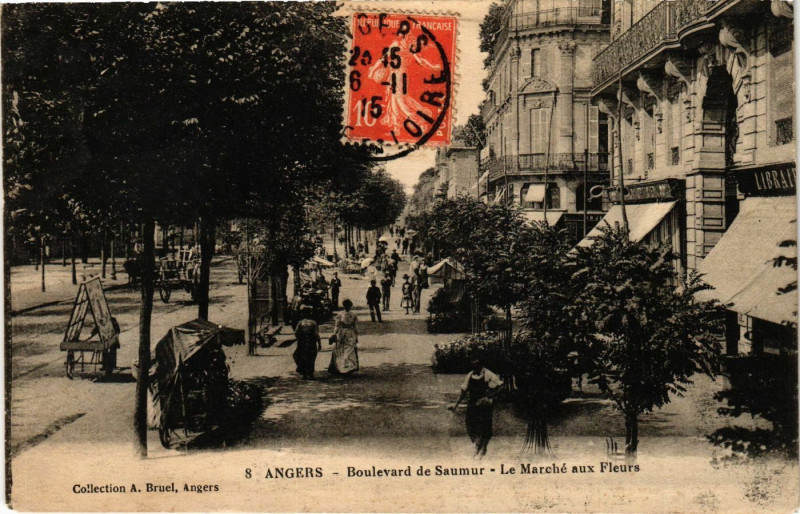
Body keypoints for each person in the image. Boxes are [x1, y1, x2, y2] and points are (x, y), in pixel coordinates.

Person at [449, 359, 503, 456]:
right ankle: (478, 444)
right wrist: (455, 405)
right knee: (471, 424)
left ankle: (482, 447)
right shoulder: (470, 375)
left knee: (485, 427)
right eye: (473, 367)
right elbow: (463, 391)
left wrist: (489, 397)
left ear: (481, 366)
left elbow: (500, 386)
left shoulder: (488, 374)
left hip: (484, 404)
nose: (474, 369)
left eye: (476, 367)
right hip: (473, 404)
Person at [329, 299, 359, 374]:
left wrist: (356, 336)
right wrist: (334, 333)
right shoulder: (341, 314)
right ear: (344, 306)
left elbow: (355, 326)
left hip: (349, 333)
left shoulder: (352, 315)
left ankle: (348, 367)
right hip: (342, 333)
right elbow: (337, 325)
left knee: (349, 349)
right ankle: (341, 367)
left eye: (349, 305)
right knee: (341, 349)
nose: (347, 307)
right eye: (346, 305)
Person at [293, 306, 321, 380]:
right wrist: (319, 343)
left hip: (302, 342)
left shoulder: (301, 322)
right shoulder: (313, 323)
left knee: (301, 356)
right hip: (312, 341)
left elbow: (296, 333)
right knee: (311, 357)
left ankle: (304, 373)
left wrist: (300, 338)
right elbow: (316, 334)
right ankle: (310, 373)